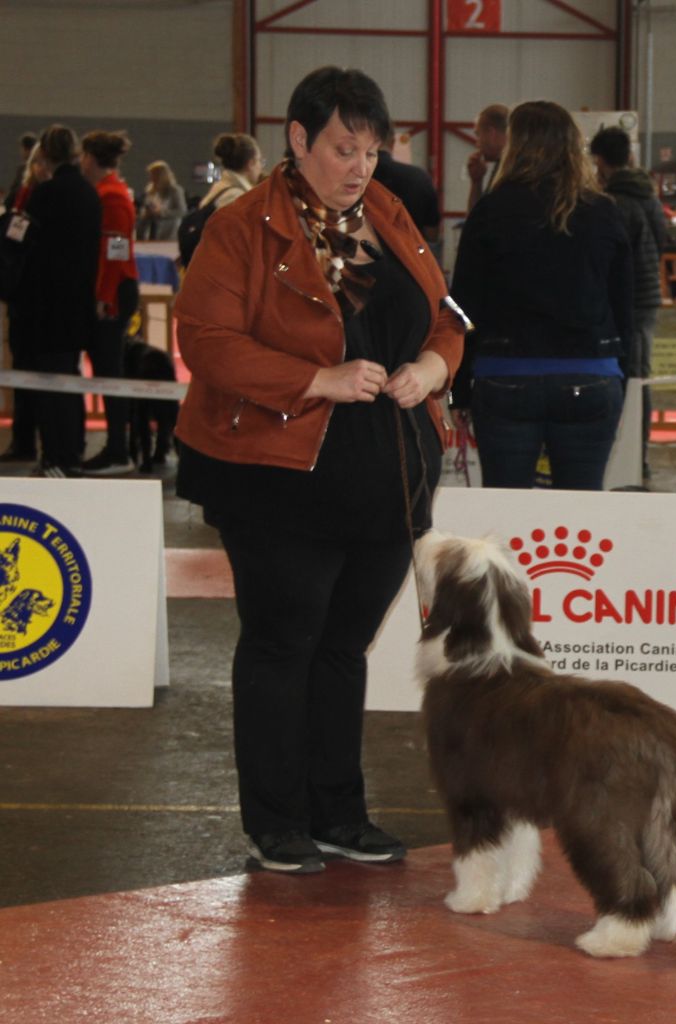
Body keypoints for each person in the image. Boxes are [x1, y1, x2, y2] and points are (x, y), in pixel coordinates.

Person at [173, 66, 464, 874]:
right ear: (298, 140)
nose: (360, 167)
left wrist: (434, 368)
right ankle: (277, 821)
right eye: (344, 149)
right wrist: (316, 380)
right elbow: (206, 341)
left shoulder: (389, 213)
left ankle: (339, 812)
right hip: (275, 476)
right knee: (282, 643)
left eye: (372, 151)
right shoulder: (241, 228)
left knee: (342, 647)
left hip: (387, 477)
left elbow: (447, 315)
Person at [450, 100, 633, 491]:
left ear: (514, 145)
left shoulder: (491, 210)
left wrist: (458, 391)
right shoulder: (604, 211)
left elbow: (464, 306)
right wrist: (623, 375)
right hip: (591, 373)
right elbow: (623, 305)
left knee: (507, 505)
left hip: (505, 375)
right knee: (580, 506)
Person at [15, 125, 101, 478]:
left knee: (49, 386)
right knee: (69, 379)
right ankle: (72, 450)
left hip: (44, 305)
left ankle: (56, 456)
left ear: (45, 156)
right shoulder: (90, 194)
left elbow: (23, 246)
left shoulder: (45, 194)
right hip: (78, 303)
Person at [590, 125, 665, 482]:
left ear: (600, 161)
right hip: (648, 298)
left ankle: (626, 455)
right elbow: (661, 242)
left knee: (628, 379)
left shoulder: (613, 203)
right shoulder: (650, 196)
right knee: (640, 377)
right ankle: (640, 453)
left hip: (625, 301)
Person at [79, 130, 140, 475]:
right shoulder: (106, 192)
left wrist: (104, 298)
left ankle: (118, 449)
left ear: (91, 158)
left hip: (115, 292)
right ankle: (117, 446)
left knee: (109, 371)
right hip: (112, 290)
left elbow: (115, 254)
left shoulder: (112, 197)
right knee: (106, 369)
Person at [0, 143, 51, 463]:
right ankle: (24, 440)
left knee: (33, 372)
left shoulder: (32, 202)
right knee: (24, 371)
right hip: (26, 300)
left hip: (29, 301)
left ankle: (29, 441)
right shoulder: (24, 201)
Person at [372, 129, 440, 243]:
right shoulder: (420, 177)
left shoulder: (356, 176)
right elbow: (432, 234)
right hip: (411, 249)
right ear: (393, 142)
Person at [200, 132, 263, 210]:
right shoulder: (234, 197)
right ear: (251, 163)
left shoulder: (222, 187)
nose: (260, 167)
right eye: (260, 161)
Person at [465, 103, 508, 213]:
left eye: (478, 135)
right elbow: (479, 217)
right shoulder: (503, 166)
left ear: (491, 133)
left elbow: (479, 219)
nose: (477, 144)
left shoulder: (510, 172)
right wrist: (476, 181)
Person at [136, 160, 187, 241]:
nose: (151, 178)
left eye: (153, 175)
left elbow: (182, 211)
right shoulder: (150, 190)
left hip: (169, 231)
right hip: (150, 230)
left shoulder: (175, 191)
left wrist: (162, 212)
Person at [4, 131, 38, 213]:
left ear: (26, 149)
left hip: (21, 211)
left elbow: (14, 193)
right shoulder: (42, 169)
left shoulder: (23, 170)